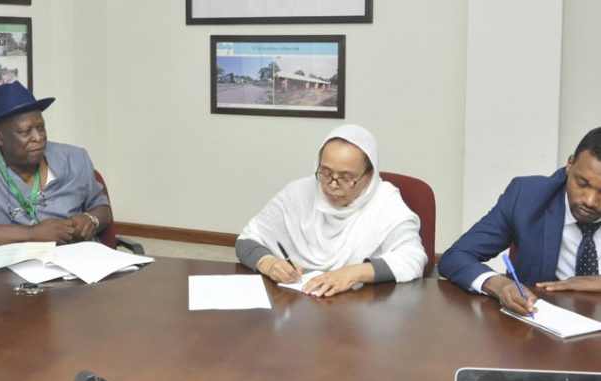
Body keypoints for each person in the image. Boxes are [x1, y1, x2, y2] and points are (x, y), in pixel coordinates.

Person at [235, 124, 427, 297]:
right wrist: (268, 263)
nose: (332, 185)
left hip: (359, 312)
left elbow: (413, 258)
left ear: (369, 177)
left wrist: (353, 273)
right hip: (299, 303)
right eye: (326, 173)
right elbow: (247, 240)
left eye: (346, 177)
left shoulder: (386, 202)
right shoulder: (299, 193)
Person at [439, 127, 601, 316]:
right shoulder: (527, 198)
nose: (590, 201)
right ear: (570, 164)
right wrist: (500, 285)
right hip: (544, 331)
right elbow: (456, 256)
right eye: (582, 183)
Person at [0, 81, 111, 247]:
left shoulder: (75, 158)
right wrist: (32, 233)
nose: (38, 137)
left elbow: (102, 208)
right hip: (13, 271)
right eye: (25, 131)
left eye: (41, 127)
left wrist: (92, 219)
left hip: (78, 263)